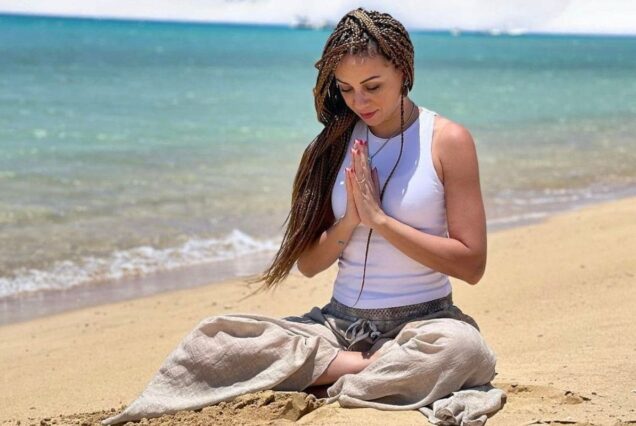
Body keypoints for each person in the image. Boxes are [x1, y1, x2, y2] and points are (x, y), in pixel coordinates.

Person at [102, 8, 503, 426]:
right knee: (213, 340)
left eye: (372, 86)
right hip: (337, 326)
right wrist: (350, 221)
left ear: (403, 70)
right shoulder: (333, 145)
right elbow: (309, 265)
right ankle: (366, 372)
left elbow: (471, 264)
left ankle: (331, 374)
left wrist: (381, 221)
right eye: (346, 89)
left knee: (463, 351)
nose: (359, 102)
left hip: (423, 325)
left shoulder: (447, 140)